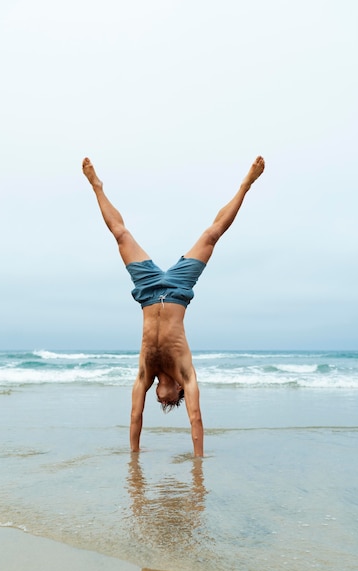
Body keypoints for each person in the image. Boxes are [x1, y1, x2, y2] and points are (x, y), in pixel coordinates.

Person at [82, 155, 265, 457]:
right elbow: (195, 418)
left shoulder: (145, 373)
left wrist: (134, 456)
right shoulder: (187, 374)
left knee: (121, 235)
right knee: (211, 234)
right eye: (168, 403)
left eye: (159, 401)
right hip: (179, 289)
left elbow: (134, 416)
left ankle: (96, 186)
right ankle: (246, 184)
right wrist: (198, 462)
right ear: (179, 391)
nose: (162, 401)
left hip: (148, 289)